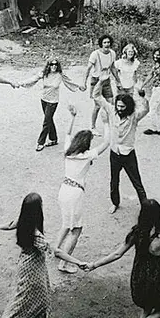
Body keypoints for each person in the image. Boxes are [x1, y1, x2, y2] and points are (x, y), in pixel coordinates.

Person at [0, 193, 87, 318]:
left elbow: (8, 225)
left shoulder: (22, 221)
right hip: (33, 269)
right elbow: (57, 252)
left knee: (36, 299)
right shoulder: (36, 234)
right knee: (26, 302)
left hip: (27, 265)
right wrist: (78, 262)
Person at [56, 105, 110, 273]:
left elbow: (67, 134)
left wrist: (73, 117)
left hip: (63, 190)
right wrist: (106, 123)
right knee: (76, 229)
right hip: (75, 194)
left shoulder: (68, 151)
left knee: (66, 224)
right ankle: (64, 263)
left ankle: (55, 250)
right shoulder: (86, 156)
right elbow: (107, 143)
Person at [93, 78, 149, 214]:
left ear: (128, 107)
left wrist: (142, 97)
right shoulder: (112, 111)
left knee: (137, 182)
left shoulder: (134, 117)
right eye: (118, 106)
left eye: (123, 107)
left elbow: (146, 109)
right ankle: (115, 203)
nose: (119, 109)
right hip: (114, 153)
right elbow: (96, 96)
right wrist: (100, 82)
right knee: (114, 181)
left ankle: (146, 208)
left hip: (128, 154)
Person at [18, 59, 84, 152]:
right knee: (49, 119)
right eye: (52, 64)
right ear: (48, 65)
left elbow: (70, 82)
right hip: (44, 100)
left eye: (56, 64)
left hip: (53, 102)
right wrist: (21, 83)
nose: (54, 66)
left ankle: (40, 142)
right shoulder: (44, 73)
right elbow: (33, 79)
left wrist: (79, 86)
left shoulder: (60, 75)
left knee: (46, 122)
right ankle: (53, 139)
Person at [84, 34, 119, 136]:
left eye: (108, 42)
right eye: (104, 42)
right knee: (98, 105)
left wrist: (118, 81)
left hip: (106, 81)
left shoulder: (112, 53)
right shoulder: (95, 54)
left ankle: (112, 125)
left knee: (111, 103)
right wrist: (84, 83)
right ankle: (92, 127)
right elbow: (88, 69)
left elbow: (113, 68)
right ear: (101, 44)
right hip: (96, 81)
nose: (106, 44)